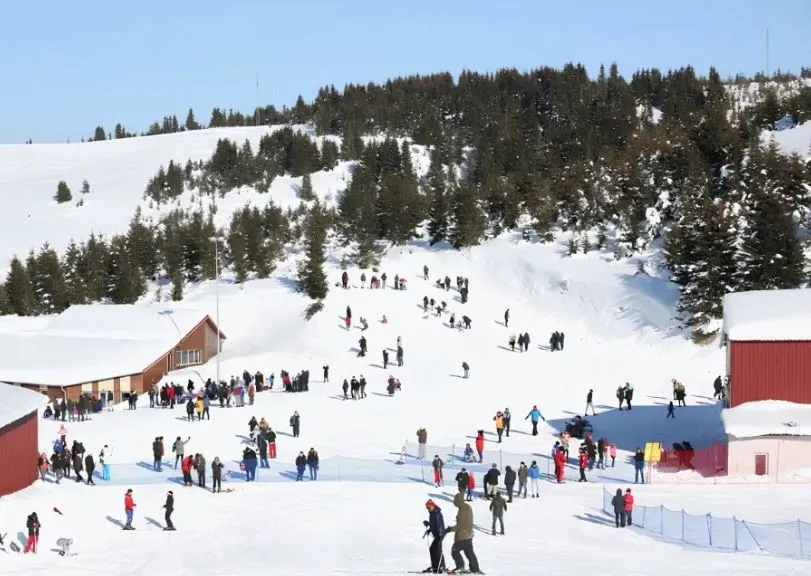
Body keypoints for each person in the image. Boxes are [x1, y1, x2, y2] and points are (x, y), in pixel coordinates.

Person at [448, 493, 481, 574]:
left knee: (454, 551)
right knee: (469, 552)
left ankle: (460, 566)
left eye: (455, 501)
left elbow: (460, 524)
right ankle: (475, 568)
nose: (454, 503)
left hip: (463, 535)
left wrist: (450, 529)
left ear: (458, 501)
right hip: (468, 534)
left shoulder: (462, 510)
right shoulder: (467, 507)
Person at [423, 499, 446, 573]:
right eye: (427, 507)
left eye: (429, 507)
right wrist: (429, 528)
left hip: (440, 534)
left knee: (437, 550)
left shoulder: (437, 513)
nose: (428, 509)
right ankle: (435, 566)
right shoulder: (432, 513)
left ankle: (441, 567)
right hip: (437, 534)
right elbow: (434, 524)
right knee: (433, 549)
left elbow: (439, 523)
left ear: (433, 506)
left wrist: (439, 533)